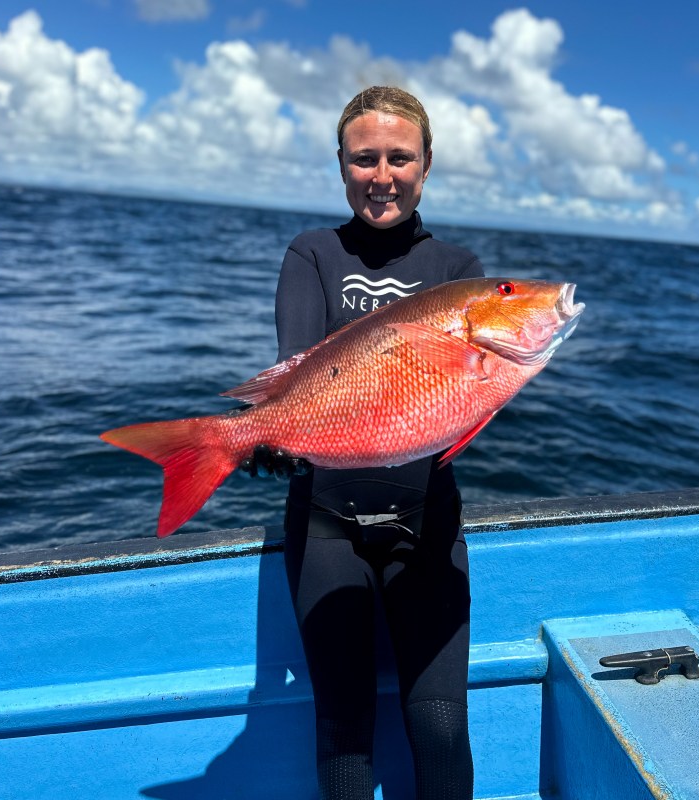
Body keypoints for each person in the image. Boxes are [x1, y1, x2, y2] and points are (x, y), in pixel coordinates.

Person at [247, 86, 484, 800]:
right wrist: (277, 431)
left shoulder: (457, 272)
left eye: (399, 157)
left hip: (428, 522)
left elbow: (461, 398)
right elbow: (299, 363)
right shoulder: (313, 253)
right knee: (344, 725)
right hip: (326, 523)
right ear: (342, 166)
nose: (382, 174)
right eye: (365, 158)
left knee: (441, 727)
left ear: (427, 163)